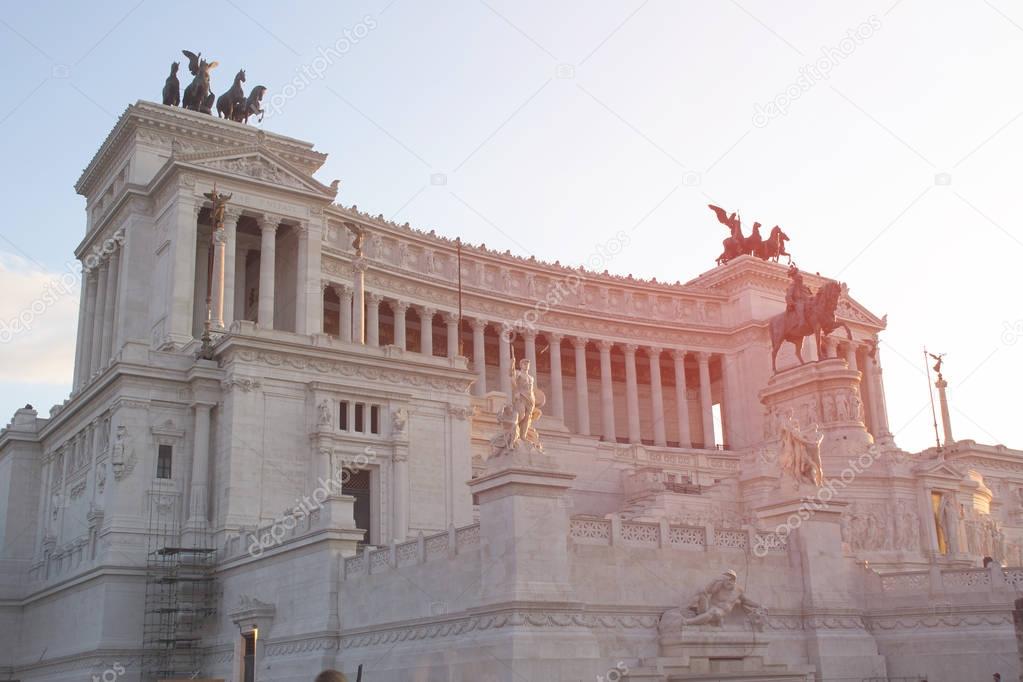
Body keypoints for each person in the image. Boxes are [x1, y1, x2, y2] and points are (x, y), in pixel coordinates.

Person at [682, 569, 766, 627]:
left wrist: (759, 605)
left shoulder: (738, 590)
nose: (727, 583)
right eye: (725, 580)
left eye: (729, 581)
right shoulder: (719, 585)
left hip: (718, 613)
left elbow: (745, 601)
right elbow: (706, 591)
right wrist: (715, 580)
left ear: (734, 581)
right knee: (701, 591)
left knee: (713, 611)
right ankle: (685, 610)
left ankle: (688, 622)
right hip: (706, 610)